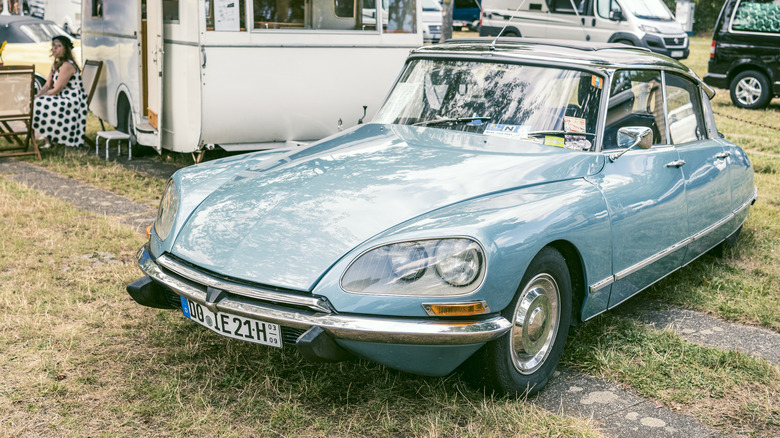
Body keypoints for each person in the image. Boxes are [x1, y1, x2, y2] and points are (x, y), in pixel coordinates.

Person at [33, 35, 88, 148]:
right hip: (62, 96)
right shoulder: (57, 64)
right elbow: (47, 85)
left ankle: (48, 140)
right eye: (53, 45)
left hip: (72, 99)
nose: (54, 48)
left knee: (39, 104)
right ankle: (48, 138)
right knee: (35, 101)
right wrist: (37, 95)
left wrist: (39, 98)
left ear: (66, 49)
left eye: (58, 46)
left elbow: (56, 90)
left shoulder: (67, 65)